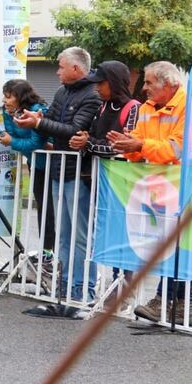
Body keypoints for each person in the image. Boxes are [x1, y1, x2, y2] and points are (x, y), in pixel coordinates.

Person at [107, 61, 192, 326]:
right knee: (167, 245)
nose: (143, 89)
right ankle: (176, 305)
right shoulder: (145, 109)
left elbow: (177, 148)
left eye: (148, 82)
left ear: (168, 84)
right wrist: (125, 145)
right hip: (158, 189)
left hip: (183, 187)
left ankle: (170, 302)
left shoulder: (189, 106)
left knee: (178, 246)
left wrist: (139, 144)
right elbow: (138, 147)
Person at [14, 47, 102, 301]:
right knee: (62, 233)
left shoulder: (92, 95)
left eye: (61, 67)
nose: (57, 71)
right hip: (58, 170)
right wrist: (35, 117)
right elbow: (51, 118)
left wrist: (39, 123)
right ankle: (61, 285)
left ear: (76, 68)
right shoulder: (63, 92)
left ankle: (83, 289)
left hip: (79, 173)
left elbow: (74, 129)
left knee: (81, 235)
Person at [68, 61, 140, 302]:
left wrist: (89, 143)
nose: (97, 88)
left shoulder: (133, 108)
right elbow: (94, 138)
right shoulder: (102, 107)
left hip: (124, 183)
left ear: (115, 82)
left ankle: (124, 290)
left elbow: (121, 147)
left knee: (123, 235)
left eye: (101, 83)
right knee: (106, 234)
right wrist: (84, 141)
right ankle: (110, 286)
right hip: (99, 179)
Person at [0, 79, 51, 250]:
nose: (4, 100)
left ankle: (51, 251)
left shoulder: (38, 111)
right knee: (43, 209)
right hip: (35, 164)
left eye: (8, 97)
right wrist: (15, 139)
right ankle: (46, 250)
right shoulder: (9, 112)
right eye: (4, 96)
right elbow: (14, 136)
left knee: (50, 211)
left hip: (53, 165)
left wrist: (13, 141)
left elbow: (35, 143)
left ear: (21, 97)